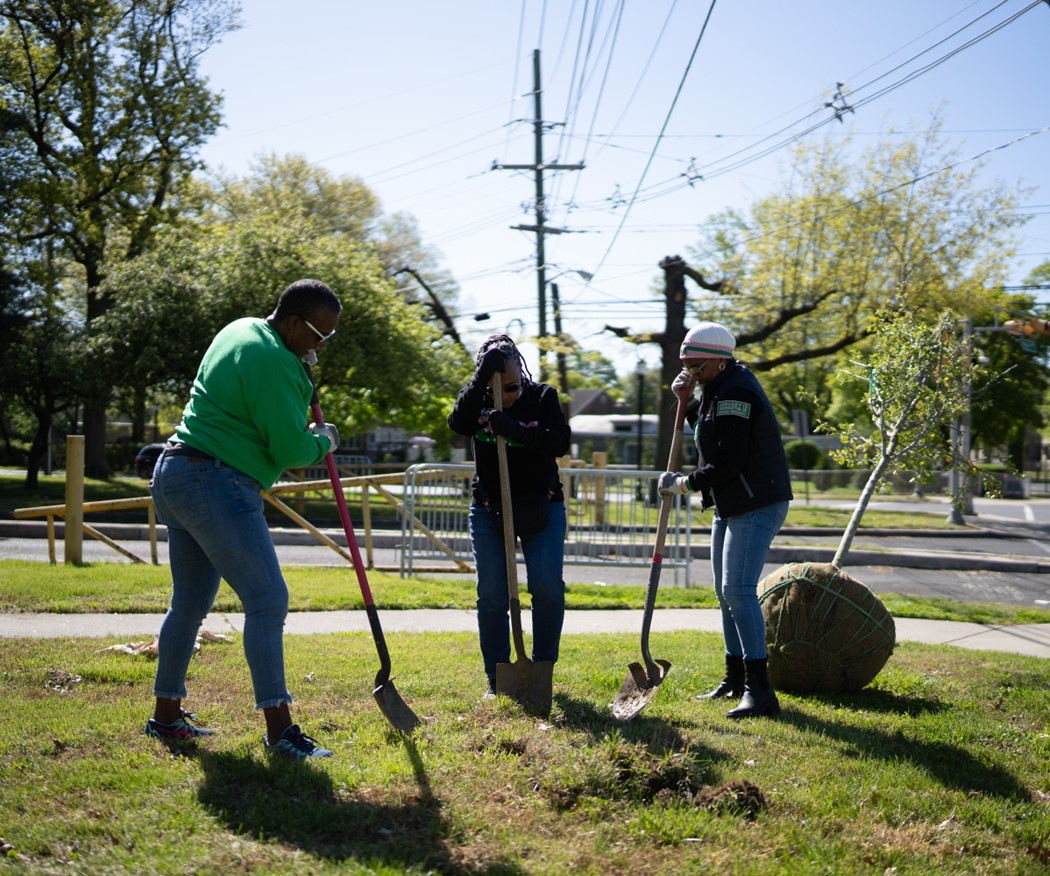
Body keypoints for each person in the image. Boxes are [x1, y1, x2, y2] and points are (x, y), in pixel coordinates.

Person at [145, 278, 342, 759]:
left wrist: (300, 382)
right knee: (267, 599)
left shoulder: (241, 328)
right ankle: (280, 732)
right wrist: (325, 439)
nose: (320, 347)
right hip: (217, 481)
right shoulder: (278, 363)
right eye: (319, 336)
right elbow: (292, 449)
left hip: (174, 471)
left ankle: (166, 719)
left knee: (189, 604)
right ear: (294, 323)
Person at [658, 321, 793, 719]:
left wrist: (682, 484)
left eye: (696, 365)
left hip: (757, 502)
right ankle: (735, 678)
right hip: (731, 504)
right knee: (724, 592)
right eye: (684, 364)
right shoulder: (718, 388)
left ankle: (761, 692)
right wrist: (686, 402)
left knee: (738, 590)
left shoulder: (737, 391)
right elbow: (708, 432)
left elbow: (727, 461)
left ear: (720, 361)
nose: (690, 372)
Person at [448, 334, 572, 698]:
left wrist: (514, 429)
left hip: (542, 504)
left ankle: (543, 667)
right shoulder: (476, 402)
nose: (509, 394)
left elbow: (559, 442)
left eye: (514, 386)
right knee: (491, 594)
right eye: (498, 388)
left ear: (522, 370)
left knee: (547, 588)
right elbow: (457, 423)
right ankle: (496, 676)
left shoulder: (542, 397)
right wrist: (482, 383)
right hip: (490, 509)